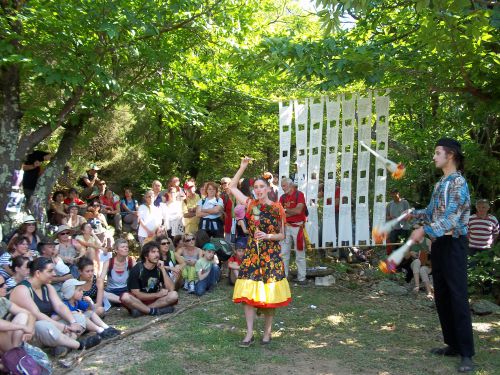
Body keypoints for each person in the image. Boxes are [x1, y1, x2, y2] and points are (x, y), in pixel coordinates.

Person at [409, 138, 474, 373]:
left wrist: (423, 230)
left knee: (457, 297)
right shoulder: (440, 184)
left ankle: (467, 353)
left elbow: (451, 219)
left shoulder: (459, 183)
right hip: (439, 245)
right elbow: (431, 213)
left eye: (438, 152)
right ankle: (453, 345)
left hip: (454, 244)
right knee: (442, 296)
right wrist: (413, 215)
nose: (434, 157)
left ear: (451, 155)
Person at [228, 157, 291, 347]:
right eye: (255, 187)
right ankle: (248, 334)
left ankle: (267, 332)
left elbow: (282, 235)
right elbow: (231, 187)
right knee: (248, 294)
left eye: (261, 186)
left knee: (269, 295)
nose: (258, 189)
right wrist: (242, 167)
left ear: (268, 189)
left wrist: (268, 236)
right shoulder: (249, 204)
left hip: (270, 256)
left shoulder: (277, 208)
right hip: (252, 255)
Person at [9, 257, 101, 357]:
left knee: (77, 316)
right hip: (33, 331)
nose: (54, 274)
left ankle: (63, 345)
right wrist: (65, 327)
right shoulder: (22, 289)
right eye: (50, 271)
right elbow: (37, 315)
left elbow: (60, 306)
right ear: (38, 273)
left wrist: (72, 322)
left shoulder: (47, 286)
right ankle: (79, 345)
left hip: (53, 326)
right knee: (42, 325)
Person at [126, 242, 178, 317]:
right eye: (153, 252)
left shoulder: (159, 268)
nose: (157, 255)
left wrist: (163, 269)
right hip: (138, 300)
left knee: (174, 295)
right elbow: (137, 294)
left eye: (157, 252)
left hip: (155, 301)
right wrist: (158, 294)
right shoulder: (137, 269)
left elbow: (171, 289)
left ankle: (142, 311)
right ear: (146, 256)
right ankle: (158, 310)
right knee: (125, 297)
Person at [279, 178, 307, 284]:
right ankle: (283, 277)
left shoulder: (299, 195)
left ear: (291, 185)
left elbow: (299, 210)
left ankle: (302, 278)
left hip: (297, 227)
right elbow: (279, 213)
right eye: (282, 186)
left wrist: (285, 211)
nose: (283, 188)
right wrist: (290, 212)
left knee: (300, 253)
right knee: (284, 253)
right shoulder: (282, 197)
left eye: (284, 185)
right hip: (286, 227)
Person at [0, 275, 36, 353]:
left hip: (7, 343)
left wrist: (30, 331)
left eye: (5, 283)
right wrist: (22, 327)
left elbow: (29, 314)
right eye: (1, 285)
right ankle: (14, 355)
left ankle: (15, 351)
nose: (6, 286)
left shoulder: (2, 300)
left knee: (23, 315)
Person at [386, 189, 411, 253]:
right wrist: (391, 217)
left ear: (398, 194)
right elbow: (386, 217)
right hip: (394, 229)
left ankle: (404, 260)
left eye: (395, 194)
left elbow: (409, 215)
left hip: (404, 228)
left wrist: (403, 217)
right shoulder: (389, 204)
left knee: (403, 246)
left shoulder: (405, 202)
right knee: (394, 246)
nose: (393, 196)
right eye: (392, 195)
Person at [220, 177, 234, 243]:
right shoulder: (222, 195)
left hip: (235, 218)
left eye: (225, 183)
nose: (223, 185)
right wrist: (223, 212)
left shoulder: (235, 192)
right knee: (227, 237)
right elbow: (220, 207)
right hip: (226, 218)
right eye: (222, 183)